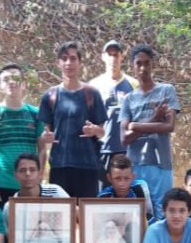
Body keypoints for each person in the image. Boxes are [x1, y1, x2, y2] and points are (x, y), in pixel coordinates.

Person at [37, 41, 108, 198]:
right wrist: (45, 137)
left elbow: (102, 132)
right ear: (58, 63)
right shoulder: (50, 95)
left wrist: (94, 130)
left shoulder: (92, 94)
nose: (68, 63)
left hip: (87, 165)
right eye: (64, 58)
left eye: (73, 58)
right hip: (59, 165)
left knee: (85, 211)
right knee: (61, 211)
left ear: (80, 62)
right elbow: (43, 137)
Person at [120, 44, 180, 218]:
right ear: (132, 66)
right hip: (135, 165)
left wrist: (135, 125)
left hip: (161, 163)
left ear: (153, 64)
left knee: (162, 213)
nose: (143, 68)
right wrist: (155, 118)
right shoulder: (128, 99)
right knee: (136, 214)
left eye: (147, 63)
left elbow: (169, 126)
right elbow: (125, 138)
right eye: (138, 63)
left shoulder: (166, 91)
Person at [0, 64, 46, 207]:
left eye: (15, 78)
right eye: (6, 79)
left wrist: (39, 179)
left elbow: (42, 149)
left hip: (30, 184)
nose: (11, 82)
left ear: (24, 84)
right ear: (0, 86)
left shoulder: (35, 114)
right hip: (2, 184)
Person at [89, 40, 138, 186]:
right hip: (102, 149)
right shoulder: (93, 86)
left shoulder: (133, 84)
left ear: (122, 56)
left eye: (116, 55)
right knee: (102, 192)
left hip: (127, 150)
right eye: (109, 55)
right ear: (103, 57)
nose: (113, 59)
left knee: (125, 192)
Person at [1, 153, 69, 226]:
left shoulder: (55, 192)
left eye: (32, 170)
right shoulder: (10, 207)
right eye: (23, 170)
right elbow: (9, 232)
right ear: (15, 175)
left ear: (39, 173)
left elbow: (74, 213)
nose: (28, 174)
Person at [97, 154, 154, 220]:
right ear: (109, 178)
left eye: (126, 178)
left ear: (133, 177)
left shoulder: (139, 190)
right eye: (117, 178)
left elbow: (148, 217)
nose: (122, 184)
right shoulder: (103, 197)